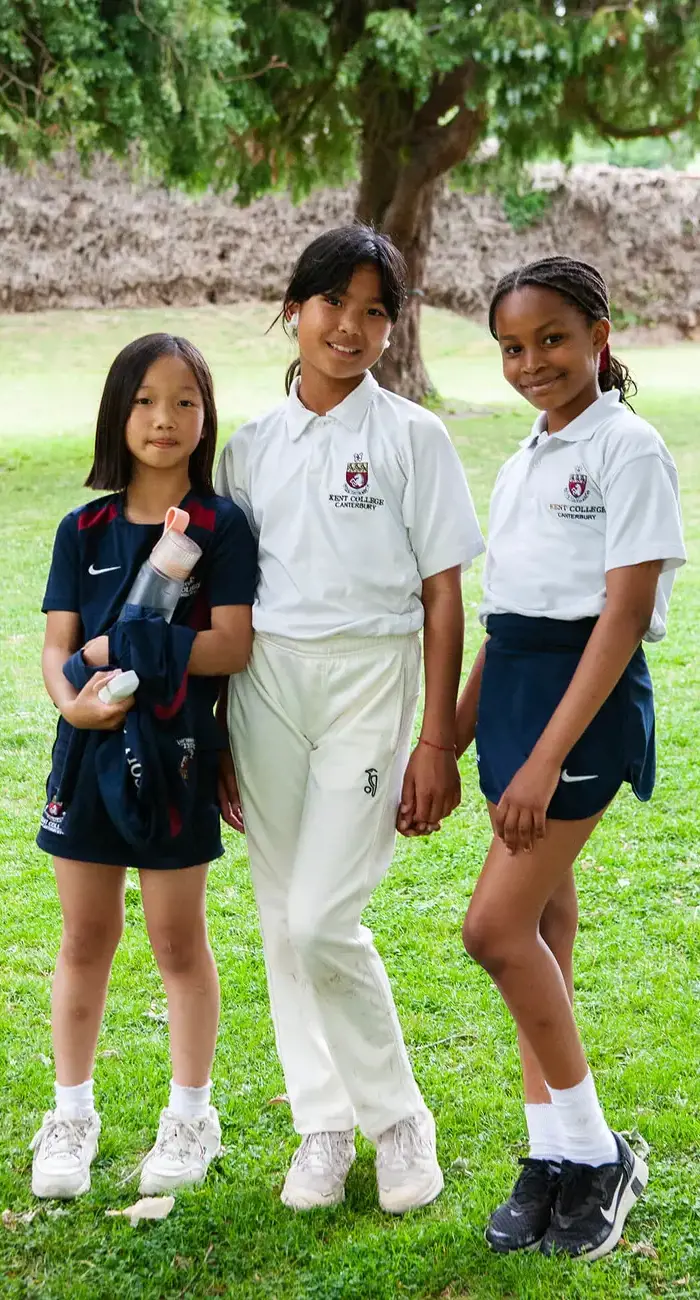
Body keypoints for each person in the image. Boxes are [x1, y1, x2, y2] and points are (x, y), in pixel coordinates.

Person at [215, 225, 484, 1214]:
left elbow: (445, 597)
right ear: (295, 308)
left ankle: (398, 1118)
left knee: (327, 916)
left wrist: (436, 738)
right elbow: (223, 603)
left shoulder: (414, 437)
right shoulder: (247, 448)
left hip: (372, 680)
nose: (353, 327)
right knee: (284, 920)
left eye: (376, 310)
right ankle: (321, 1127)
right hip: (265, 689)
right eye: (335, 303)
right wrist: (215, 737)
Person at [455, 256, 686, 1260]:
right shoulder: (524, 457)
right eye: (512, 345)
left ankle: (598, 1156)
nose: (531, 360)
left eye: (551, 337)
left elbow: (623, 615)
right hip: (513, 694)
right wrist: (448, 735)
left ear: (599, 334)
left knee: (493, 929)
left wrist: (543, 759)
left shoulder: (628, 450)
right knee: (541, 924)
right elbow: (502, 618)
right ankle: (550, 1151)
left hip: (578, 712)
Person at [32, 334, 257, 1200]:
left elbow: (229, 647)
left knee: (177, 943)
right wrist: (73, 700)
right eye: (145, 401)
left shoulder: (218, 527)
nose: (165, 420)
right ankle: (71, 1113)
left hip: (177, 756)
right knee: (86, 938)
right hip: (86, 751)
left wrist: (117, 646)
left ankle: (191, 1115)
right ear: (116, 410)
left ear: (206, 417)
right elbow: (57, 652)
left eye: (186, 402)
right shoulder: (79, 528)